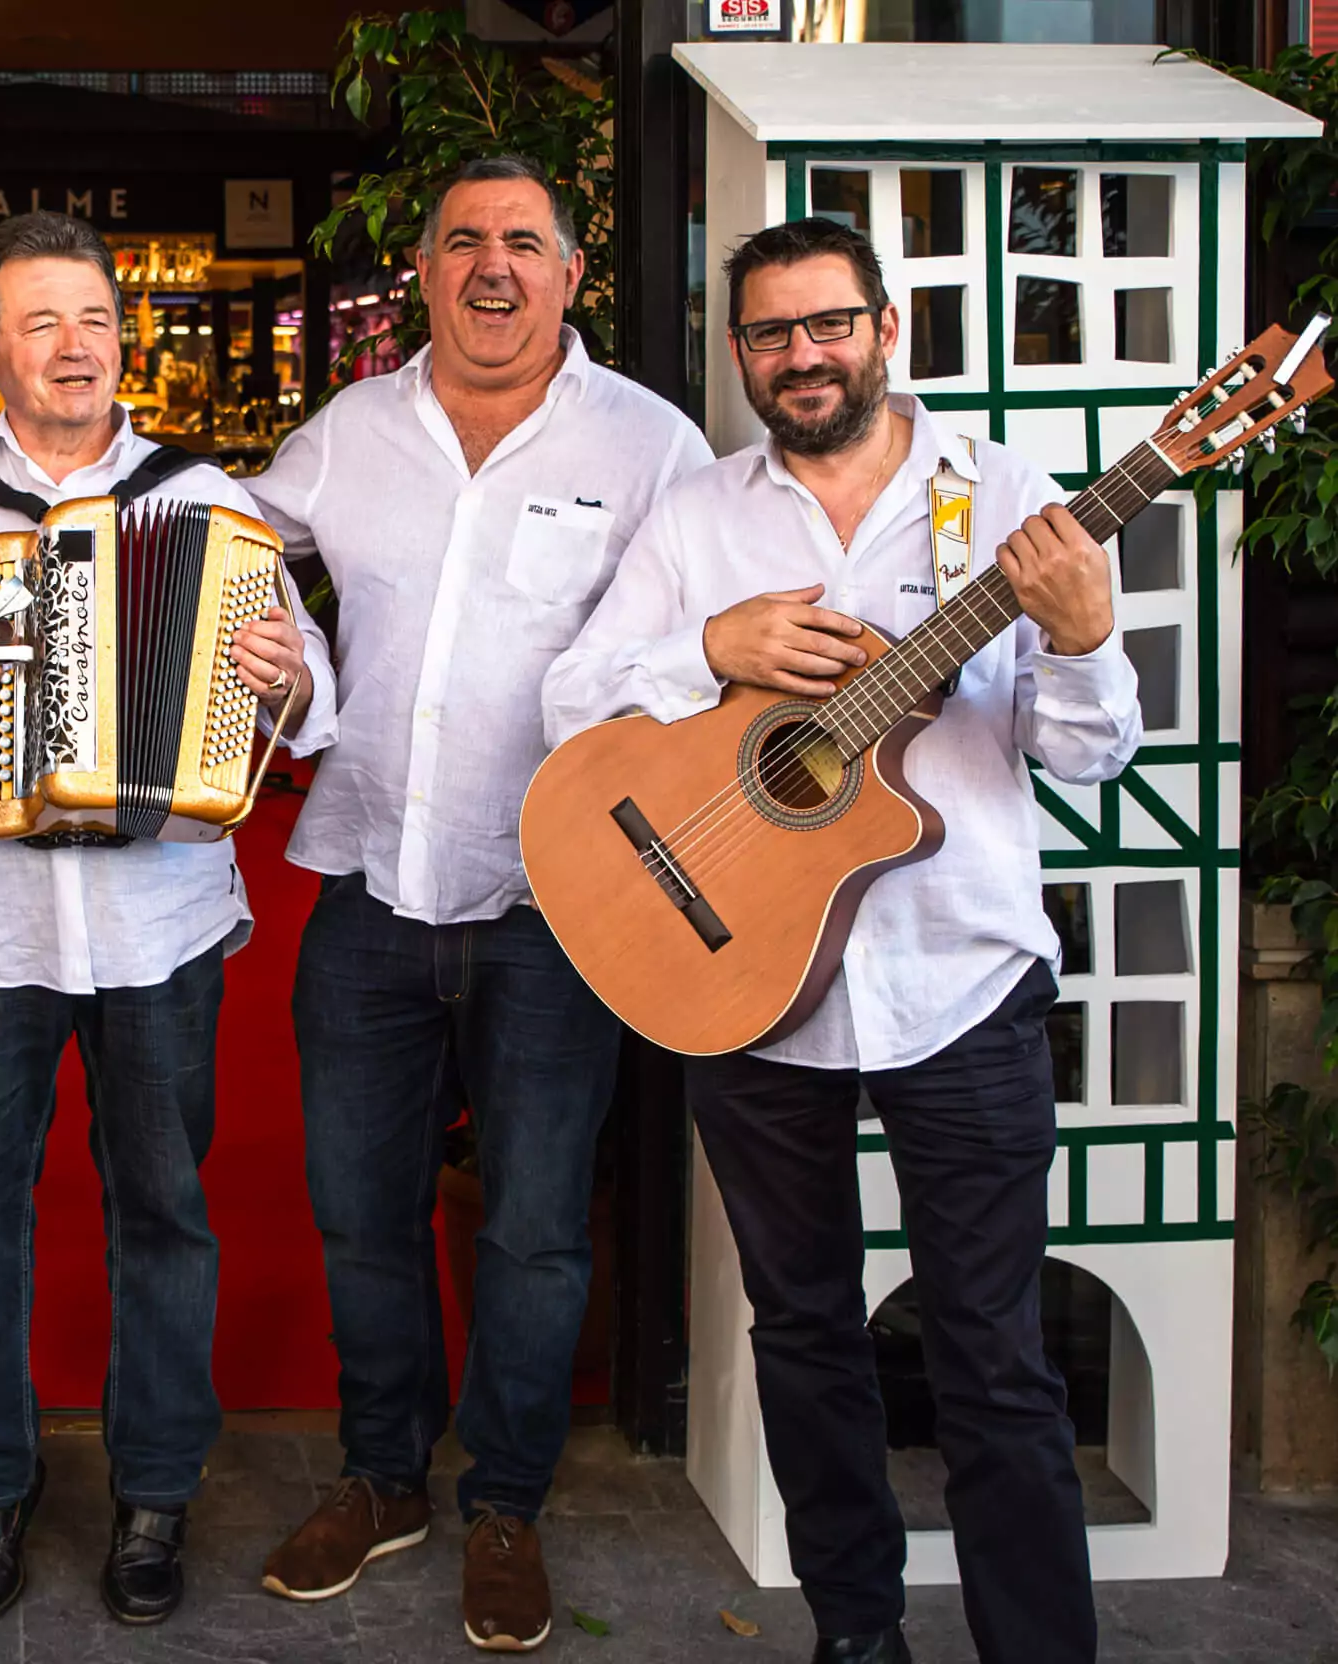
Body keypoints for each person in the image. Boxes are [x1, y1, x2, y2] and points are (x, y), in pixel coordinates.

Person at [541, 217, 1133, 1664]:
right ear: (739, 353)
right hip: (748, 982)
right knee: (805, 1339)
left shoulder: (1004, 499)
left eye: (827, 325)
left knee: (995, 1359)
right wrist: (711, 653)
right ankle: (856, 1637)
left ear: (885, 329)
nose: (801, 356)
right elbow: (573, 705)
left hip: (962, 984)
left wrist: (1084, 631)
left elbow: (1094, 753)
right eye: (769, 335)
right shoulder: (701, 515)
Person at [243, 156, 711, 1655]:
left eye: (524, 243)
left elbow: (708, 650)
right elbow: (235, 544)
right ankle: (384, 1478)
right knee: (361, 1214)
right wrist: (268, 642)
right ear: (425, 275)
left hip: (560, 903)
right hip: (373, 880)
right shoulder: (349, 430)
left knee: (533, 1232)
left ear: (575, 274)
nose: (492, 267)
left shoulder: (652, 446)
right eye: (463, 244)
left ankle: (504, 1501)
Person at [0, 210, 336, 1627]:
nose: (77, 347)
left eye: (97, 322)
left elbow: (312, 706)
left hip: (163, 921)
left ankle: (154, 1497)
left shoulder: (212, 502)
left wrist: (284, 675)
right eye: (44, 323)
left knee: (167, 1217)